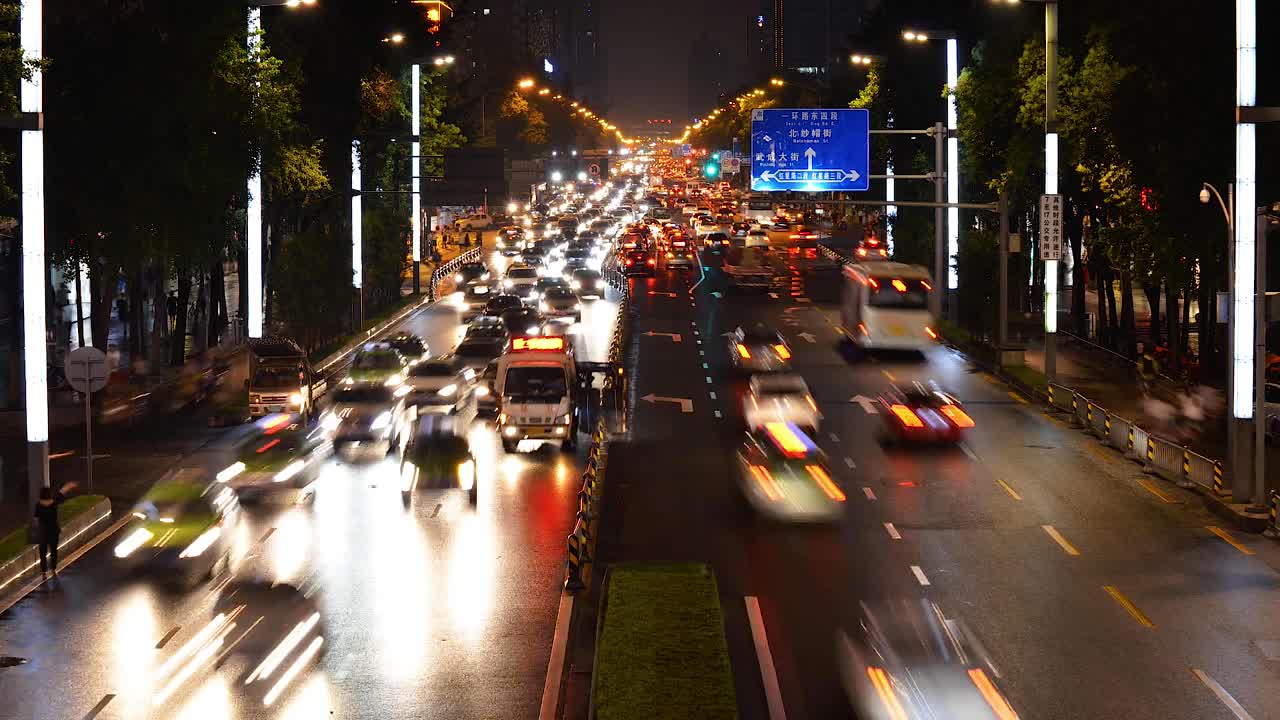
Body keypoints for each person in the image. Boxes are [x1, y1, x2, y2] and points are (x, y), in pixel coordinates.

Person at [33, 482, 77, 576]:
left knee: (43, 552)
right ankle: (53, 570)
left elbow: (36, 518)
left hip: (43, 531)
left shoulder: (38, 505)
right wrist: (70, 485)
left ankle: (43, 571)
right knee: (53, 551)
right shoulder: (54, 502)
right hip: (53, 530)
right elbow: (62, 492)